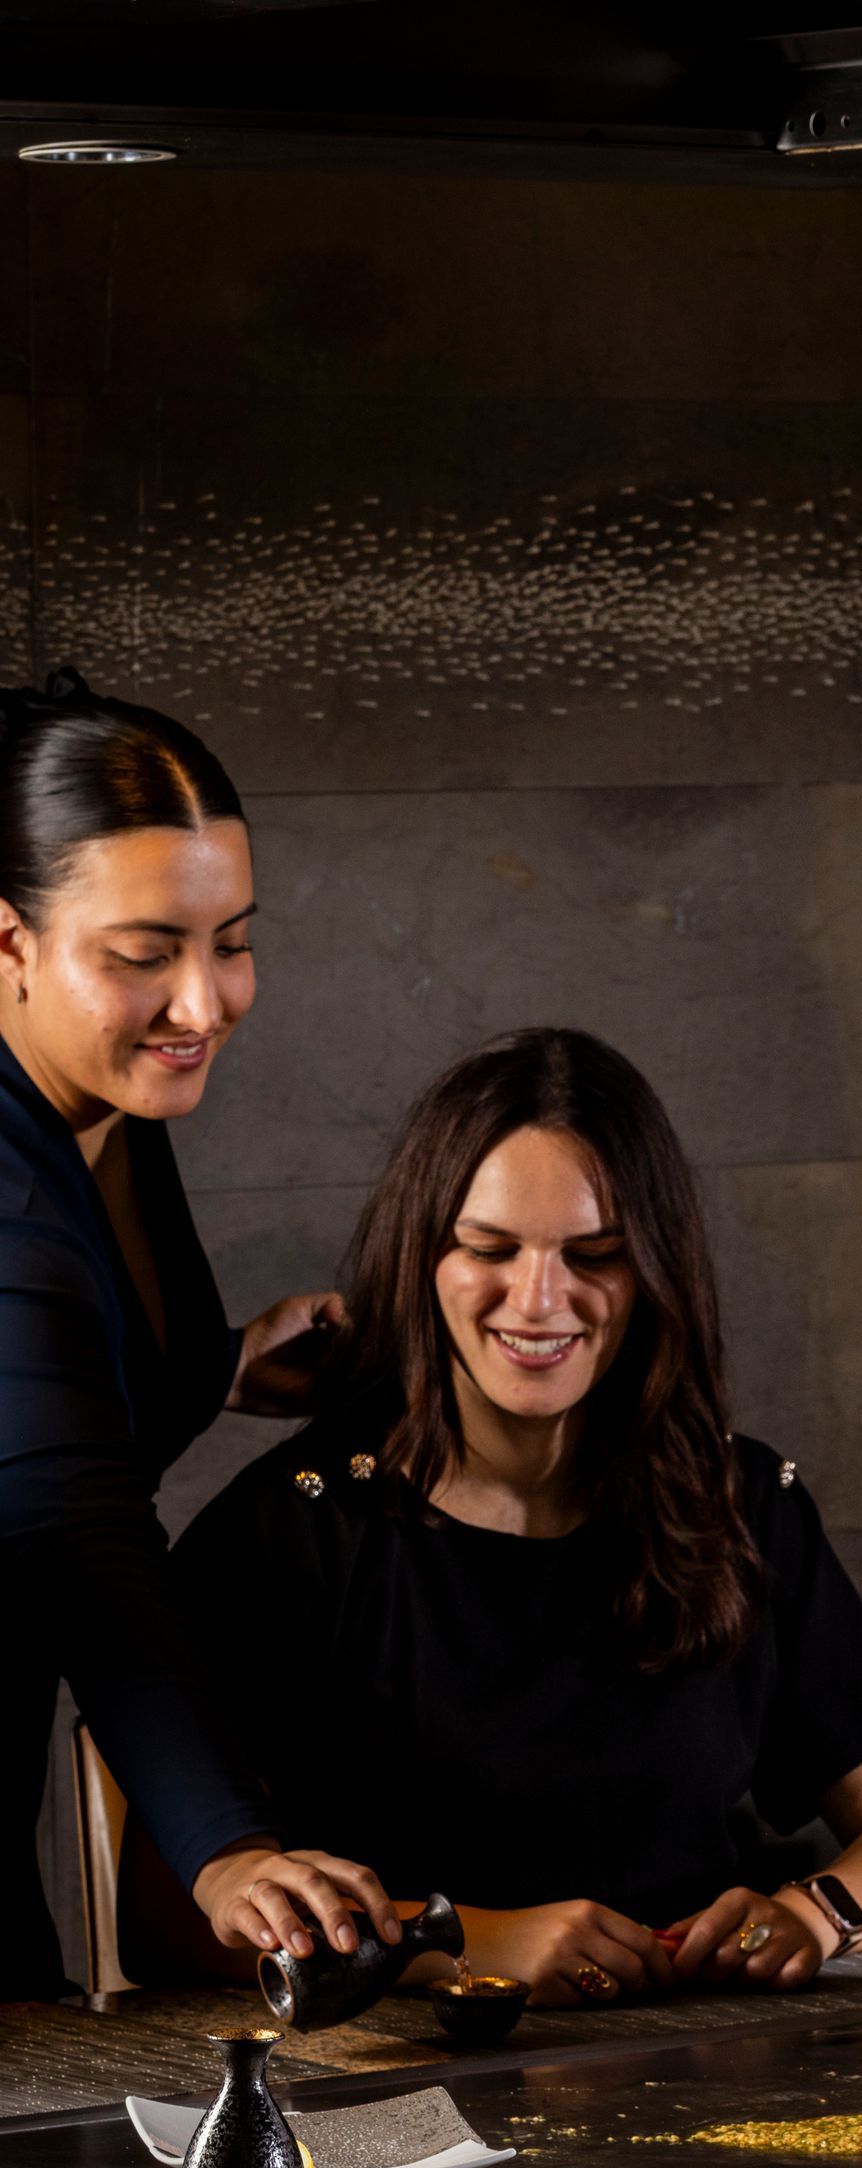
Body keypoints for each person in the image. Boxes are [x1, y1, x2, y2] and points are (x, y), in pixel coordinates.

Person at [128, 1025, 862, 2006]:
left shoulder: (738, 1504)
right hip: (394, 2092)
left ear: (654, 1265)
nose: (539, 1299)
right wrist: (461, 1943)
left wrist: (814, 1913)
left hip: (709, 2070)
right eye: (490, 1248)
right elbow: (162, 1920)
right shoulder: (295, 1529)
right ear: (421, 1259)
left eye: (594, 1253)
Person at [0, 668, 400, 1998]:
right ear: (6, 942)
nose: (204, 1000)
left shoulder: (102, 1094)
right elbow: (77, 1530)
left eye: (229, 937)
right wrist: (230, 1850)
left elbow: (50, 1384)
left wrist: (217, 1363)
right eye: (143, 954)